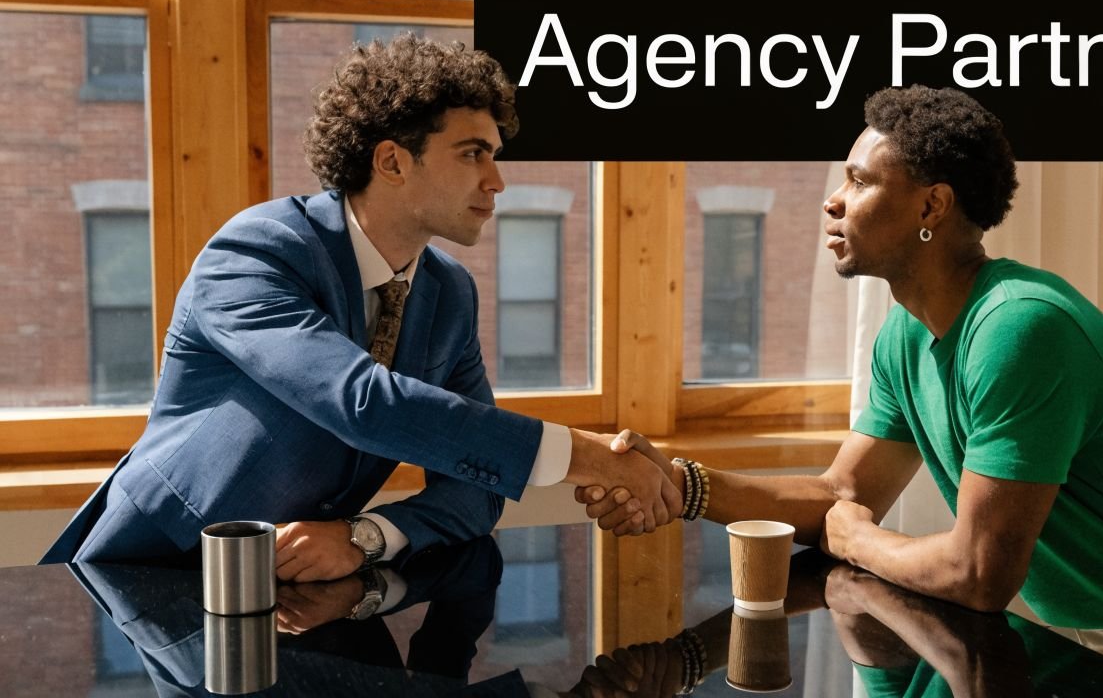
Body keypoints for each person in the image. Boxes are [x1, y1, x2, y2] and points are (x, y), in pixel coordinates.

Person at [579, 86, 1103, 695]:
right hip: (1068, 646)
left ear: (932, 207)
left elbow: (977, 572)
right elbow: (840, 495)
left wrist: (859, 540)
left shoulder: (1022, 329)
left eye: (860, 181)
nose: (834, 201)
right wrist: (681, 483)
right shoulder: (905, 335)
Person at [42, 34, 678, 580]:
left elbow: (475, 487)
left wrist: (362, 537)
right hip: (150, 576)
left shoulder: (450, 293)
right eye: (472, 153)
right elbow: (360, 402)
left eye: (495, 154)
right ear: (392, 161)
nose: (497, 181)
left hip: (302, 596)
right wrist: (586, 456)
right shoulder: (258, 250)